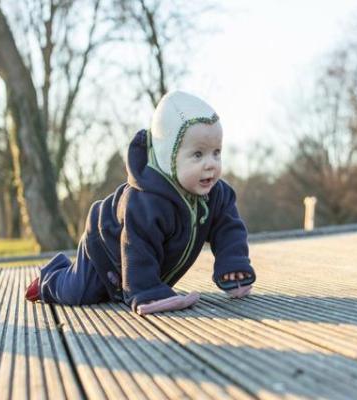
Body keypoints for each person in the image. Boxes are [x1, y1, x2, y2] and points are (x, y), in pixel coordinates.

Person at [25, 91, 255, 314]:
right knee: (78, 292)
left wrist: (232, 264)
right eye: (198, 154)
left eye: (216, 153)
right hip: (104, 250)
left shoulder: (218, 195)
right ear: (169, 157)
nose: (211, 164)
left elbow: (229, 229)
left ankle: (143, 285)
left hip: (140, 270)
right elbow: (137, 246)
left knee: (102, 294)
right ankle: (50, 278)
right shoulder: (145, 201)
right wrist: (147, 291)